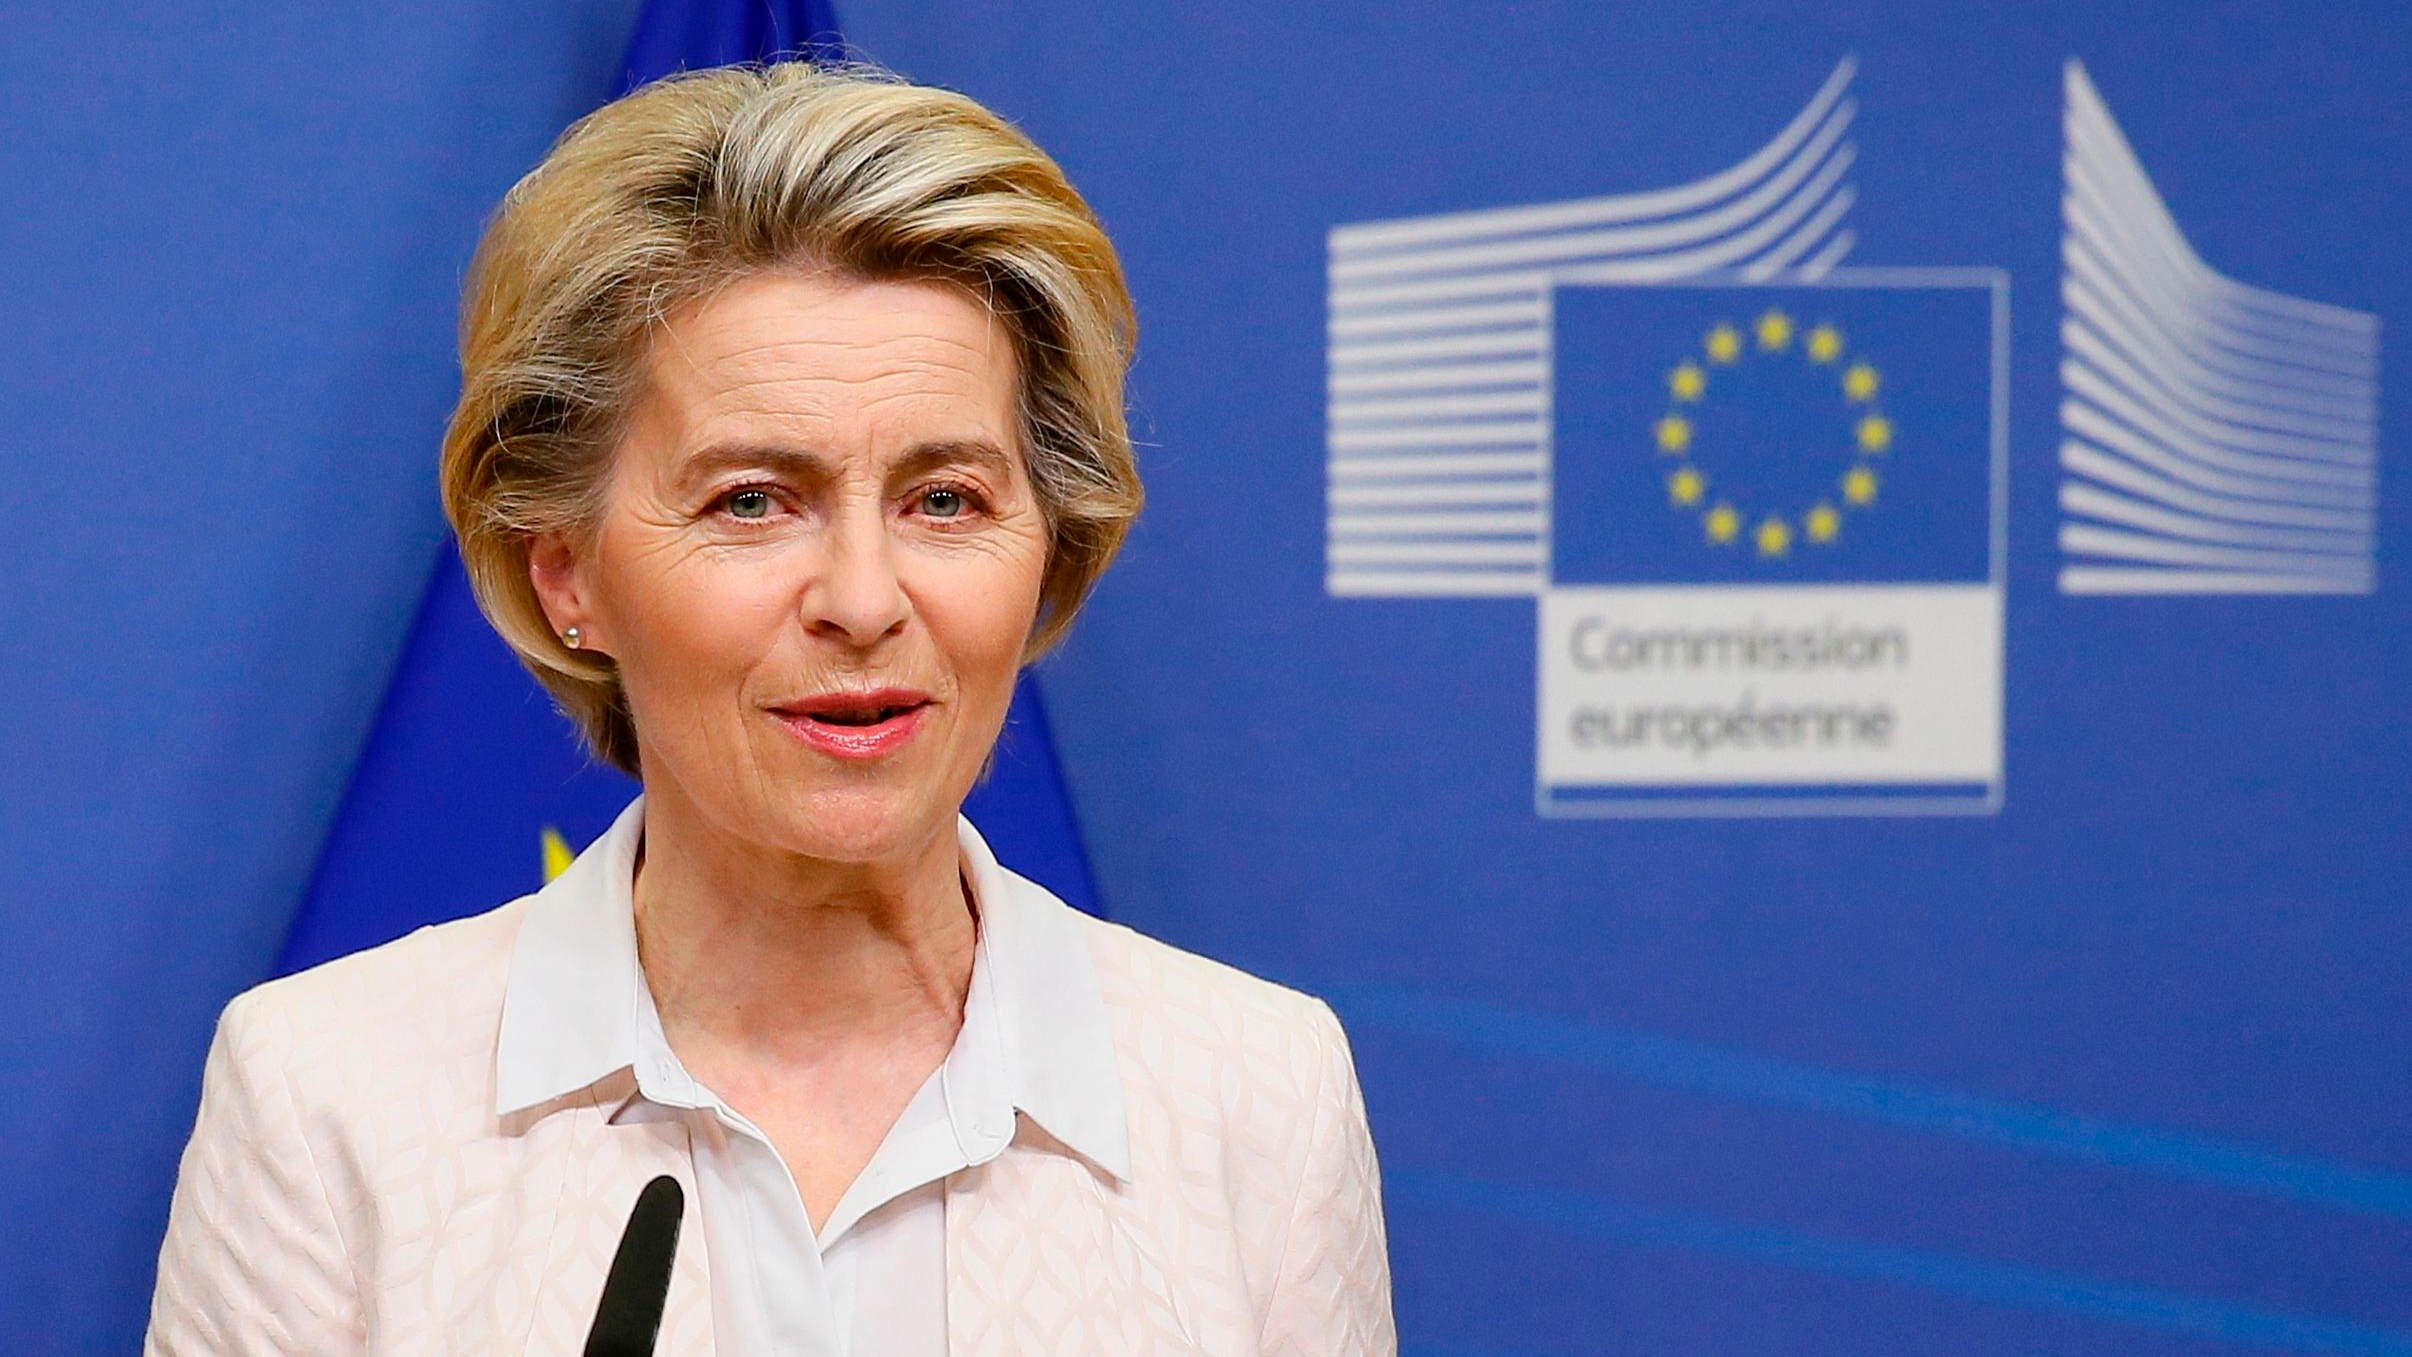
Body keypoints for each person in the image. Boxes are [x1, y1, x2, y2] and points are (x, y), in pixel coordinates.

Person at [145, 62, 1394, 1356]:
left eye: (946, 500)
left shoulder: (1257, 1095)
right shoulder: (330, 1098)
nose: (863, 600)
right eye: (750, 501)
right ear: (565, 571)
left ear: (1049, 546)